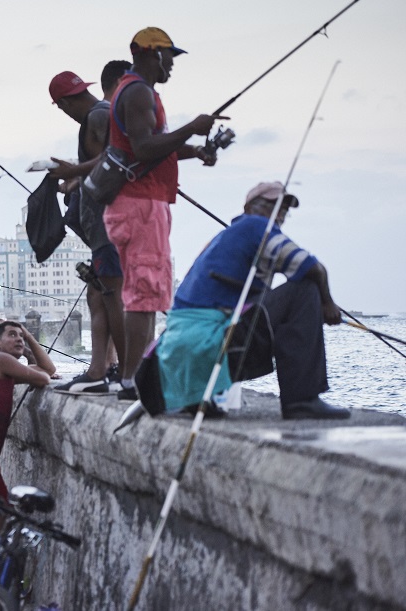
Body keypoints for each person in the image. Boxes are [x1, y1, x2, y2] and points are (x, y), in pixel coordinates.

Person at [153, 182, 350, 420]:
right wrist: (327, 305)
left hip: (182, 354)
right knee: (305, 290)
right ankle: (302, 400)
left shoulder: (224, 238)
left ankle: (198, 398)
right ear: (249, 207)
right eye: (273, 205)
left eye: (284, 209)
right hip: (210, 342)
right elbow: (313, 268)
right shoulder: (256, 226)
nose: (280, 214)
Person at [103, 27, 223, 401]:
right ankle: (135, 380)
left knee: (149, 292)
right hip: (140, 204)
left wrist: (196, 150)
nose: (171, 64)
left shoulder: (139, 91)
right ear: (152, 55)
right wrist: (193, 127)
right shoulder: (138, 91)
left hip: (142, 202)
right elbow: (142, 146)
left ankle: (138, 376)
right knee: (144, 292)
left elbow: (155, 148)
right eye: (169, 56)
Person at [48, 62, 132, 393]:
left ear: (65, 103)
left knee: (112, 297)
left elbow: (119, 156)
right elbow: (102, 168)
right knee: (98, 297)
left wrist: (76, 168)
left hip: (110, 227)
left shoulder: (98, 116)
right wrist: (73, 181)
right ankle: (101, 368)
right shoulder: (100, 115)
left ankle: (126, 374)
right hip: (101, 229)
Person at [0, 321, 55, 542]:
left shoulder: (7, 369)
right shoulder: (0, 360)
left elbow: (48, 369)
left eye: (21, 336)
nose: (19, 339)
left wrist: (30, 337)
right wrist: (29, 350)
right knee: (0, 507)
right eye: (12, 335)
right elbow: (44, 377)